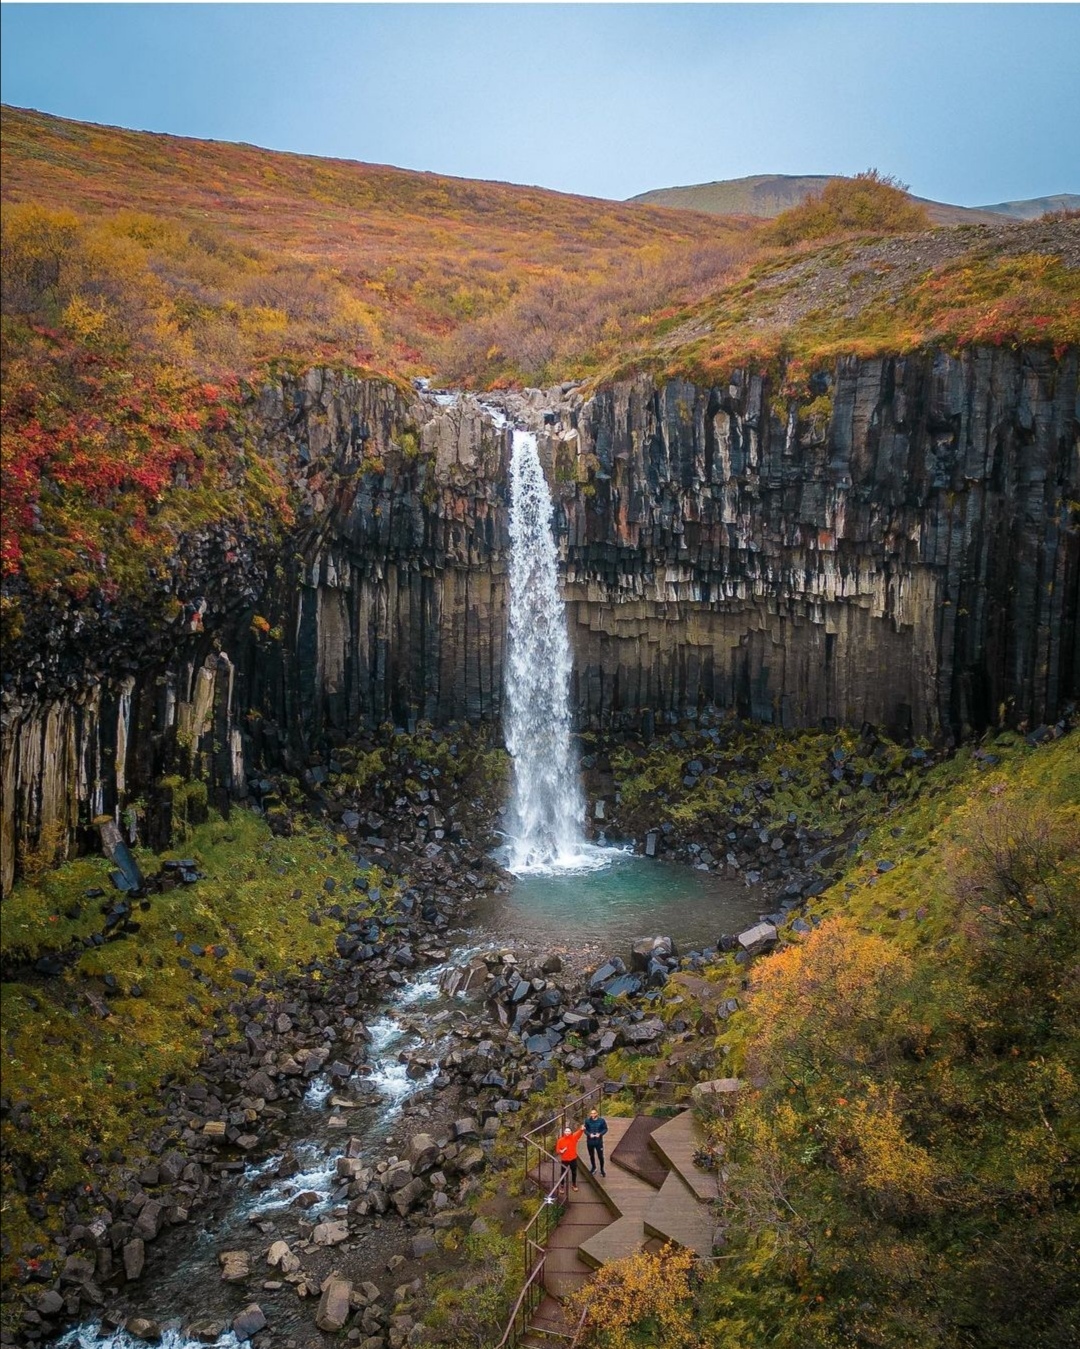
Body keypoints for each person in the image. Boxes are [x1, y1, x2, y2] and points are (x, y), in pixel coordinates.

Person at [555, 1122, 584, 1192]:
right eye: (566, 1131)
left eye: (569, 1131)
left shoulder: (574, 1137)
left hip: (573, 1158)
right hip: (564, 1159)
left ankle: (574, 1184)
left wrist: (582, 1129)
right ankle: (562, 1185)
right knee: (563, 1173)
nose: (567, 1132)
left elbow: (579, 1133)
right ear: (564, 1132)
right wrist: (561, 1151)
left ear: (571, 1132)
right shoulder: (560, 1140)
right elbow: (557, 1150)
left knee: (574, 1172)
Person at [584, 1107, 608, 1177]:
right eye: (591, 1113)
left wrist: (600, 1134)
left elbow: (605, 1129)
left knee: (600, 1156)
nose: (593, 1114)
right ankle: (594, 1167)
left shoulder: (602, 1120)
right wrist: (589, 1134)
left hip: (598, 1142)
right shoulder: (587, 1121)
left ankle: (602, 1169)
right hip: (590, 1141)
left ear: (597, 1113)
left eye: (594, 1113)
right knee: (591, 1155)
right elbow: (585, 1130)